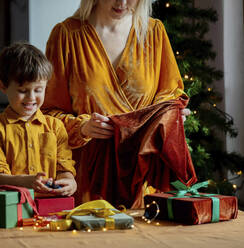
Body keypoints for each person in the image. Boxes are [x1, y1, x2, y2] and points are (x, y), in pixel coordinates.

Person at [42, 0, 196, 208]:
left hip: (142, 178)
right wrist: (83, 127)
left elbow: (169, 96)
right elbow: (48, 113)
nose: (122, 2)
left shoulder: (154, 32)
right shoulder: (67, 35)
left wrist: (171, 116)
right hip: (89, 178)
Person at [0, 42, 77, 196]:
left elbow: (64, 168)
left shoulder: (56, 127)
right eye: (23, 90)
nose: (31, 98)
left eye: (38, 90)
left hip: (51, 209)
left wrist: (69, 182)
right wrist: (27, 182)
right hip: (13, 209)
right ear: (2, 86)